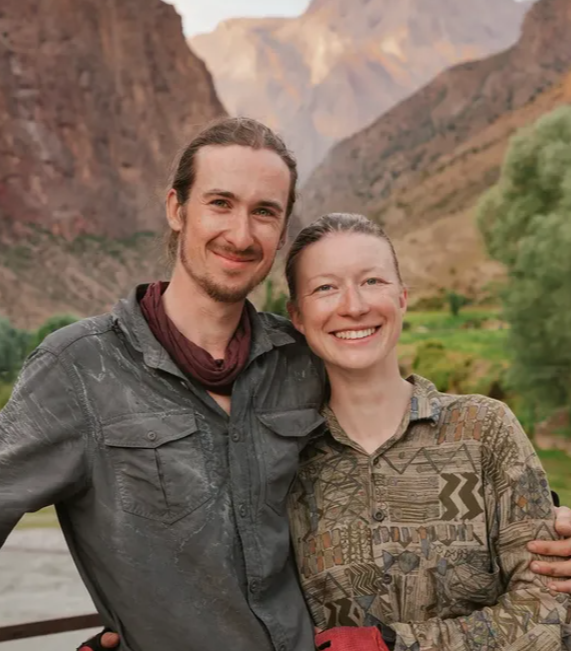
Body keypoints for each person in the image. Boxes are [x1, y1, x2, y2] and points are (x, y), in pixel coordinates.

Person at [1, 119, 570, 651]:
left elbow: (416, 435)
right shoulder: (79, 369)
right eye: (220, 203)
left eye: (264, 212)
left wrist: (545, 517)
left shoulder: (300, 361)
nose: (240, 233)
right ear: (176, 208)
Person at [283, 212, 570, 651]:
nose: (354, 305)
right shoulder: (284, 462)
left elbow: (549, 612)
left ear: (402, 298)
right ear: (297, 315)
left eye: (372, 281)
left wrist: (395, 645)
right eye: (325, 287)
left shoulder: (484, 430)